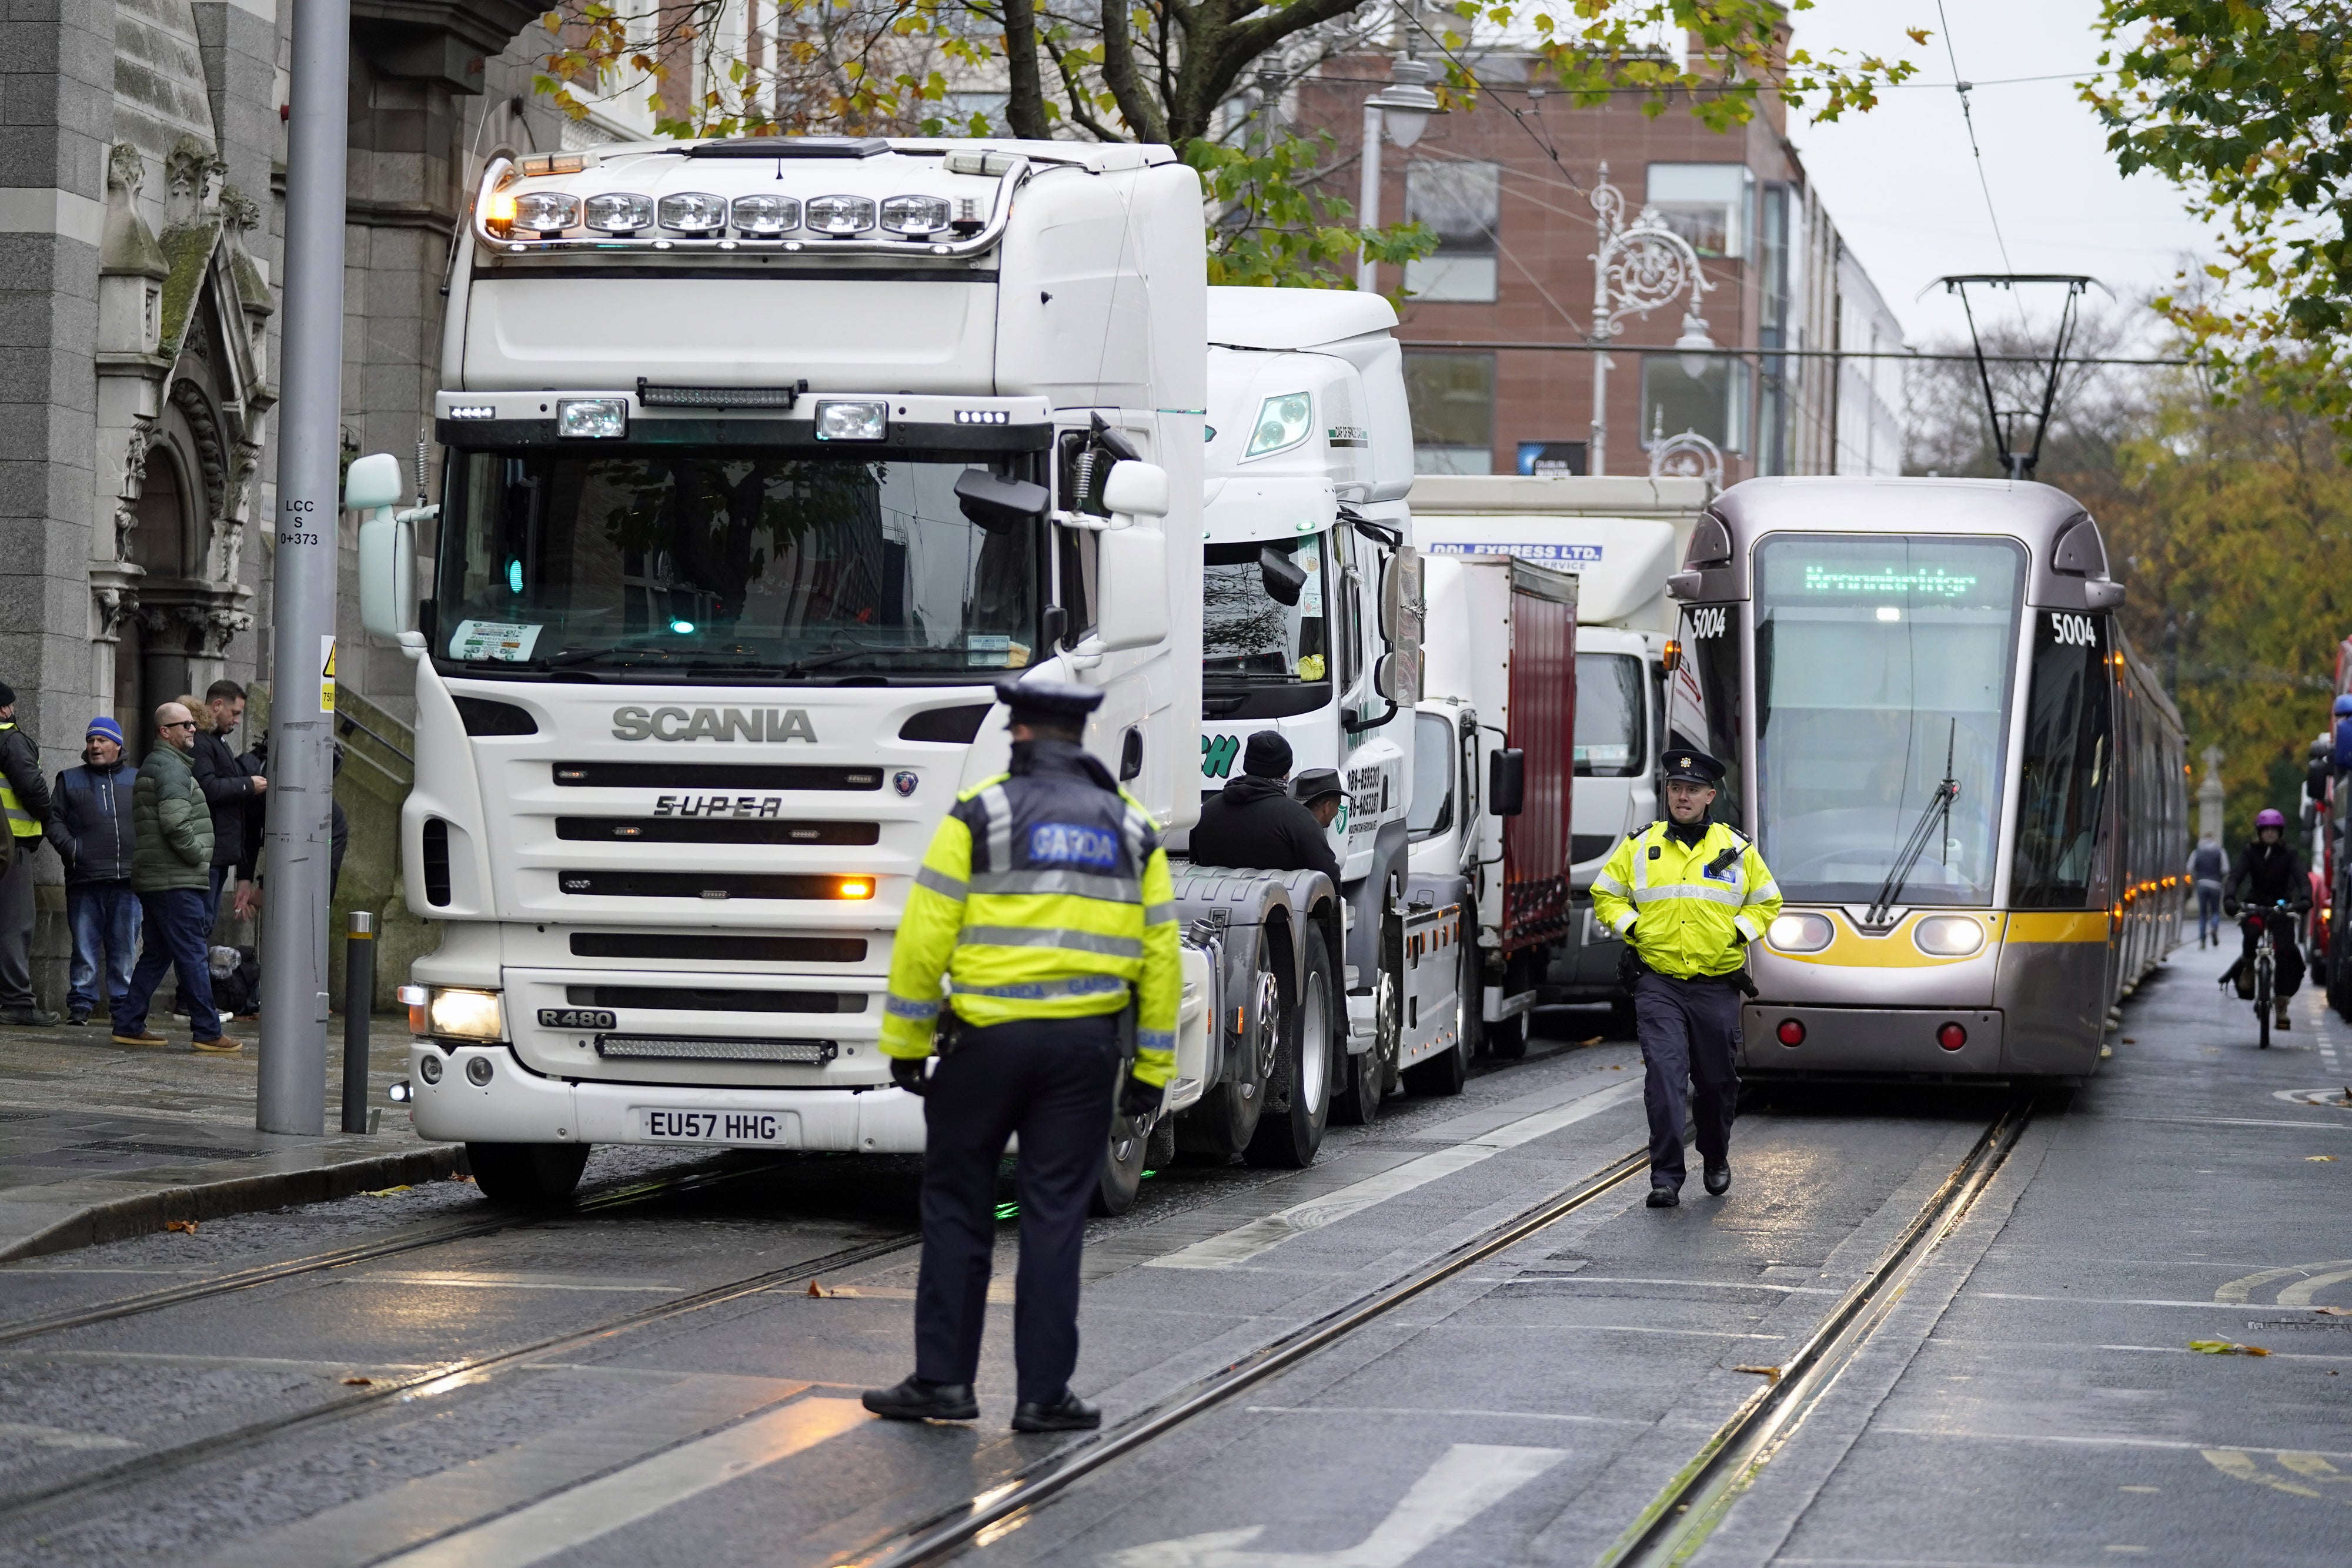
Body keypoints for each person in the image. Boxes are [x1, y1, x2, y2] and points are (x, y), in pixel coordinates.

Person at [863, 677, 1179, 1433]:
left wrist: (906, 1043)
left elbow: (924, 935)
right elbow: (1158, 958)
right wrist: (1150, 1071)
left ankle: (943, 1382)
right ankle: (1043, 1395)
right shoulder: (1131, 827)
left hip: (987, 1045)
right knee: (1053, 1217)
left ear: (1019, 736)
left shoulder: (981, 813)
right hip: (1082, 1052)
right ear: (1081, 740)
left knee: (956, 1206)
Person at [1590, 749, 1781, 1208]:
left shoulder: (1737, 848)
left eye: (1692, 790)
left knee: (1716, 1082)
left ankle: (1715, 1155)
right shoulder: (1641, 845)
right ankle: (1666, 1176)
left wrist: (1736, 933)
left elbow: (1768, 903)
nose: (1682, 796)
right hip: (1659, 982)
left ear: (1710, 796)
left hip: (1715, 984)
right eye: (1676, 788)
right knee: (1665, 1074)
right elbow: (1605, 894)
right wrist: (1634, 928)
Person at [112, 703, 232, 1052]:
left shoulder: (163, 765)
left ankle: (129, 1023)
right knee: (193, 953)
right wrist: (200, 857)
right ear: (166, 732)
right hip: (174, 880)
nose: (193, 729)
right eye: (185, 725)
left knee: (157, 955)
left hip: (162, 878)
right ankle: (208, 1031)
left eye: (193, 724)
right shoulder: (171, 769)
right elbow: (176, 823)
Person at [48, 717, 139, 1025]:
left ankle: (123, 1006)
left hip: (128, 880)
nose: (95, 746)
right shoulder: (70, 779)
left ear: (118, 745)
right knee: (84, 947)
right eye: (91, 741)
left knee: (125, 949)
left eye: (102, 740)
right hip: (84, 878)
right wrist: (74, 850)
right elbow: (53, 820)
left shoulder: (138, 780)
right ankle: (81, 1005)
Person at [1186, 730, 1342, 886]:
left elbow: (1197, 870)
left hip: (1213, 906)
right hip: (1282, 909)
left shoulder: (1205, 813)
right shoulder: (1298, 819)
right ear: (1285, 775)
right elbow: (1329, 881)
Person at [2224, 806, 2309, 1031]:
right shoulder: (2250, 852)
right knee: (2251, 932)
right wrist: (2230, 898)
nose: (2270, 833)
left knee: (2285, 951)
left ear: (2280, 833)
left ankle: (2282, 1003)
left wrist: (2305, 899)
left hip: (2281, 908)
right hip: (2256, 905)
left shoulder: (2289, 854)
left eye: (2275, 830)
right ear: (2259, 832)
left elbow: (2302, 878)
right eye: (2266, 830)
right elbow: (2236, 876)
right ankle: (2249, 968)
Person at [0, 684, 54, 1024]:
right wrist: (49, 814)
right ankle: (18, 1003)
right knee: (14, 925)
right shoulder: (10, 740)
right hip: (10, 845)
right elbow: (32, 788)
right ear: (6, 710)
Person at [192, 680, 263, 920]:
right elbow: (208, 787)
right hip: (208, 850)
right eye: (235, 713)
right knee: (201, 922)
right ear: (218, 705)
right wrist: (248, 785)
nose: (237, 720)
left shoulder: (216, 740)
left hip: (219, 850)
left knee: (206, 921)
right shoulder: (201, 741)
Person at [2189, 835, 2227, 949]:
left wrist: (2196, 878)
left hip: (2201, 884)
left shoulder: (2197, 852)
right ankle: (2214, 928)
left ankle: (2202, 940)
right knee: (2215, 911)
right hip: (2216, 884)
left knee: (2203, 914)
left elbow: (2190, 868)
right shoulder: (2220, 852)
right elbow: (2225, 869)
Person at [1294, 767, 1347, 833]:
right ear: (1327, 807)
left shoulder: (1290, 830)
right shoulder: (1313, 838)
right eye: (1338, 806)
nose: (1337, 812)